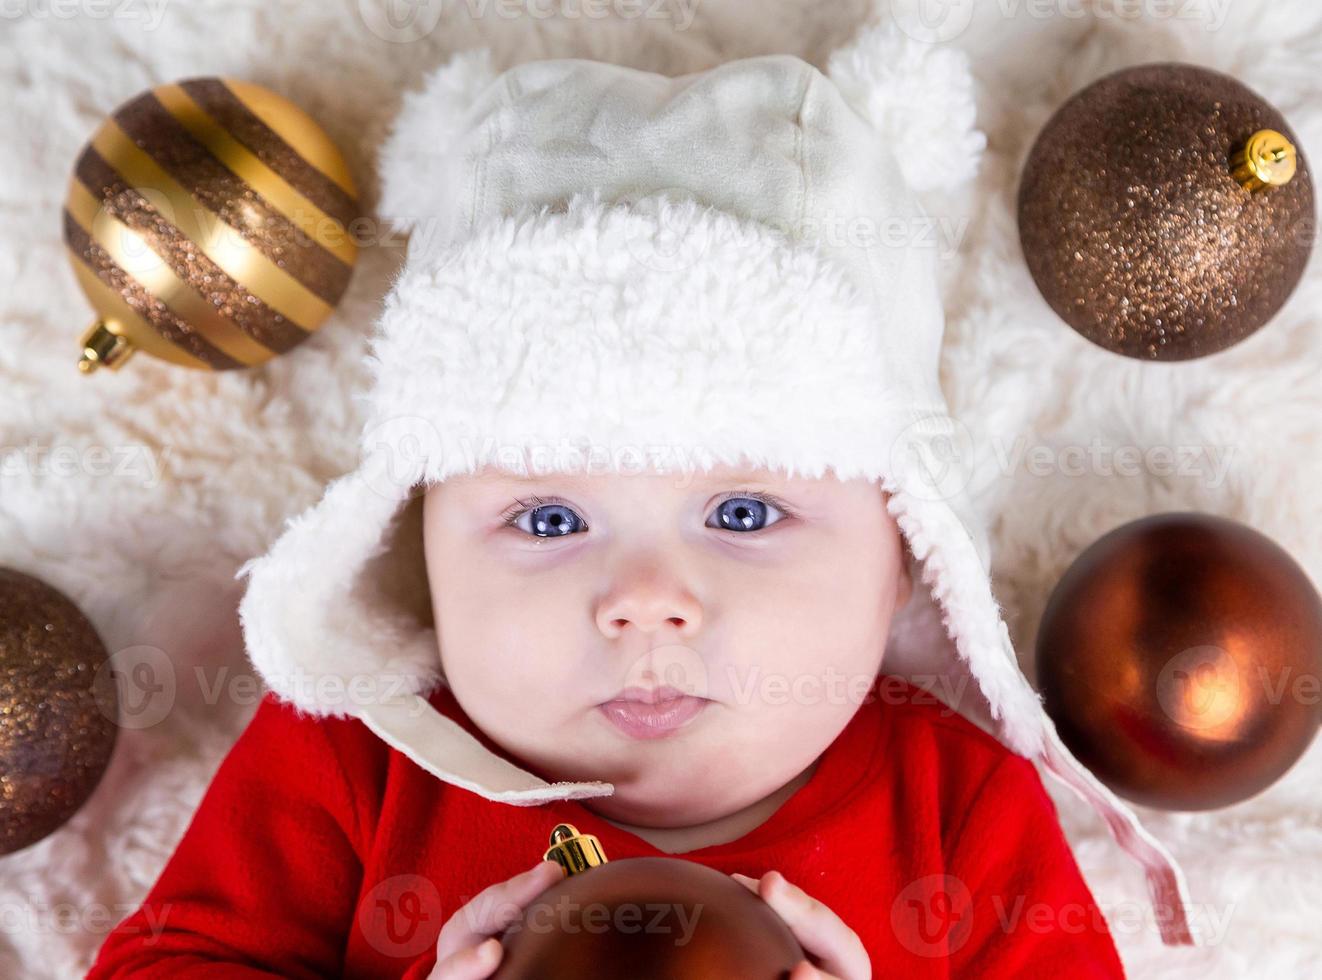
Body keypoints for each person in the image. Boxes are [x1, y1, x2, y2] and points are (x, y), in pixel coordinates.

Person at [86, 11, 1196, 979]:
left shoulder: (956, 809)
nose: (644, 600)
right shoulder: (358, 754)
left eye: (744, 512)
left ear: (901, 554)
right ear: (418, 550)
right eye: (549, 518)